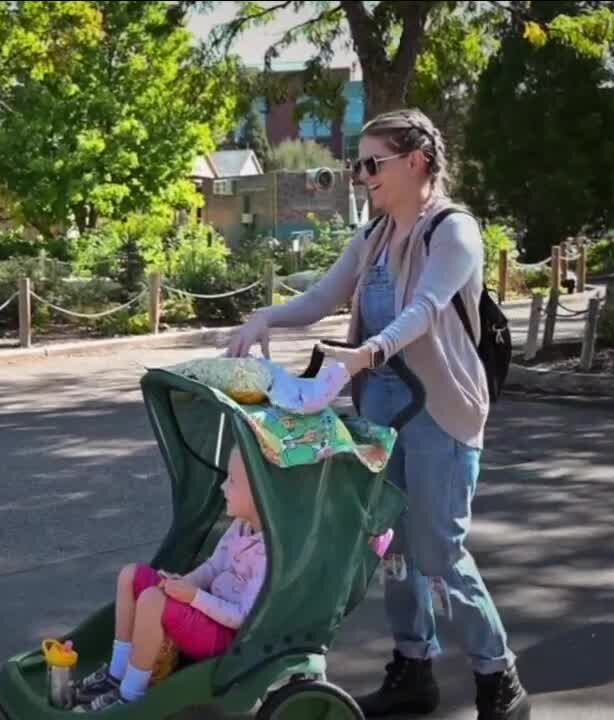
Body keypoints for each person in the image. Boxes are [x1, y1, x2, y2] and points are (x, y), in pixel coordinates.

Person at [224, 109, 530, 720]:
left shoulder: (453, 232)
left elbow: (424, 308)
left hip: (440, 409)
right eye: (357, 164)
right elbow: (322, 297)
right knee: (391, 545)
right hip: (381, 405)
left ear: (416, 159)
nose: (363, 176)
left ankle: (499, 678)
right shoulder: (373, 236)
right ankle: (413, 668)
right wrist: (265, 317)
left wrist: (368, 351)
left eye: (373, 163)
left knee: (440, 550)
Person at [72, 445, 264, 713]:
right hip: (205, 613)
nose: (222, 487)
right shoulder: (240, 527)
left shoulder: (267, 552)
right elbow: (212, 567)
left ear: (260, 491)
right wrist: (183, 583)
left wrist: (194, 597)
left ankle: (131, 696)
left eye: (231, 480)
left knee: (152, 599)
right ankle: (116, 674)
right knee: (131, 575)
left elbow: (243, 616)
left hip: (228, 639)